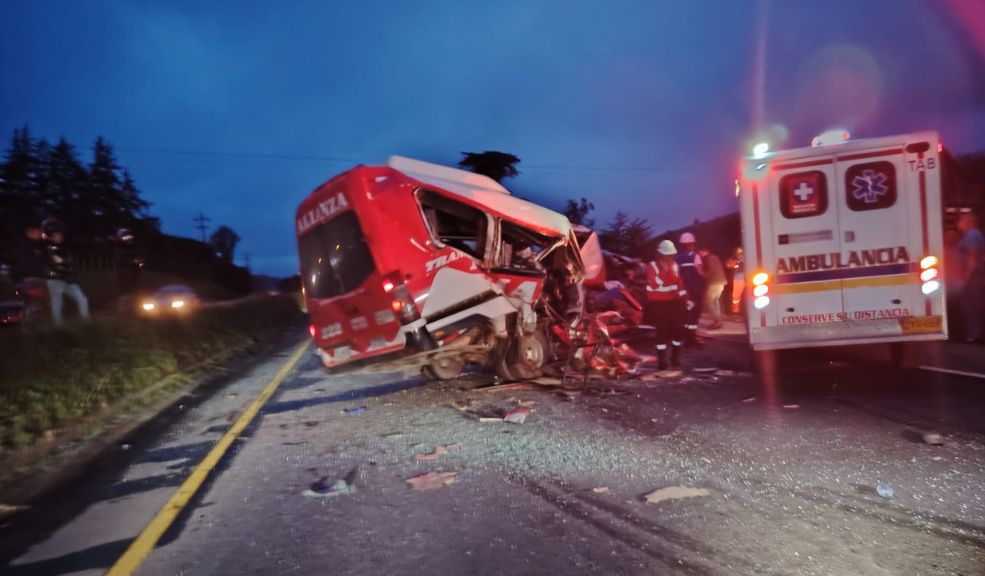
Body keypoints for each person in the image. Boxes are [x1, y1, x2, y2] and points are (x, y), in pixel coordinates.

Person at [644, 239, 690, 370]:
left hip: (674, 302)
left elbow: (679, 284)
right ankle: (662, 361)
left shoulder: (675, 265)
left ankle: (675, 359)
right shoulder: (652, 266)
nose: (670, 257)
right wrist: (666, 273)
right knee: (661, 332)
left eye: (672, 255)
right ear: (661, 254)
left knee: (679, 330)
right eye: (668, 255)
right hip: (658, 303)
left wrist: (686, 299)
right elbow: (655, 283)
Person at [42, 218, 90, 327]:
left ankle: (86, 324)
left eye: (60, 234)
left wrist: (72, 276)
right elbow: (56, 265)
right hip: (55, 280)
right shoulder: (47, 249)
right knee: (57, 304)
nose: (59, 237)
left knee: (82, 299)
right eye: (56, 235)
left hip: (70, 280)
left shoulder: (65, 248)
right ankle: (58, 327)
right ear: (50, 236)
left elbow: (70, 264)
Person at [956, 212, 985, 343]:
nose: (959, 223)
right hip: (972, 275)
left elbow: (972, 256)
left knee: (973, 305)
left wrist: (967, 276)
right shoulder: (970, 235)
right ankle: (973, 333)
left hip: (973, 276)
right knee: (970, 305)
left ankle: (975, 335)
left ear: (969, 221)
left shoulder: (973, 234)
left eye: (961, 220)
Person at [675, 232, 705, 345]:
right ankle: (691, 338)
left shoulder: (677, 258)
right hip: (695, 290)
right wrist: (708, 278)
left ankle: (683, 336)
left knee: (685, 312)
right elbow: (700, 272)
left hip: (683, 291)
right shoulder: (695, 256)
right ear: (692, 244)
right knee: (694, 313)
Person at [699, 247, 726, 329]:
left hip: (714, 282)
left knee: (709, 301)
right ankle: (719, 319)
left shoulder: (708, 259)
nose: (700, 254)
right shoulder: (714, 257)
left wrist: (701, 272)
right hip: (721, 282)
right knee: (715, 301)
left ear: (704, 251)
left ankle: (718, 320)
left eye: (700, 252)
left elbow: (710, 272)